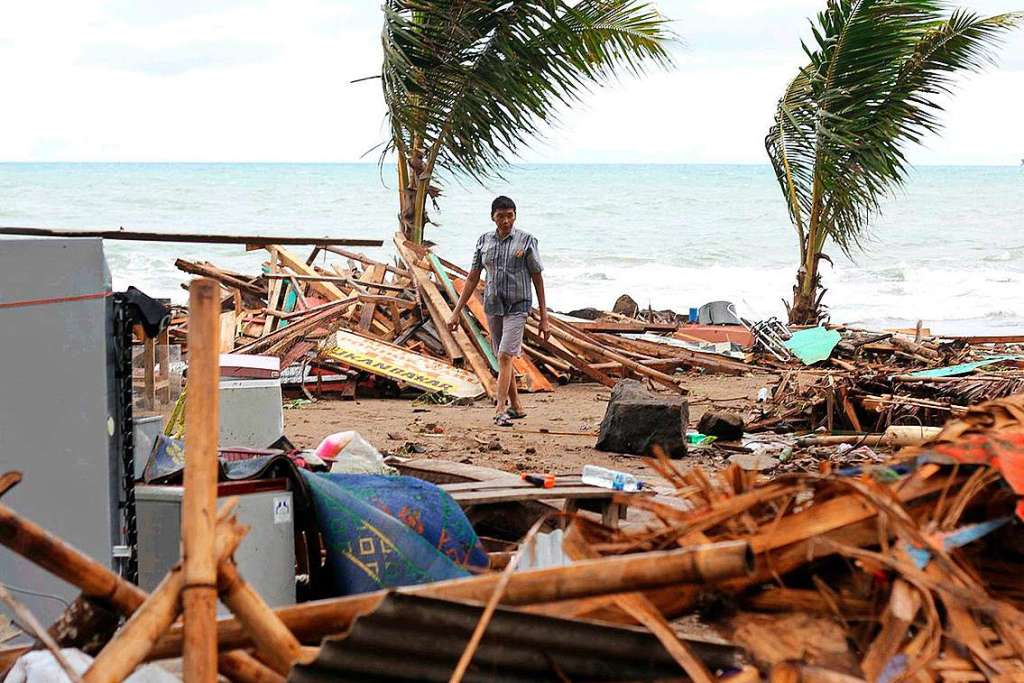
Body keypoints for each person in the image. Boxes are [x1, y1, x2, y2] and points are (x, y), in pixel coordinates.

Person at [448, 195, 549, 426]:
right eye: (501, 216)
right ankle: (517, 407)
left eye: (510, 216)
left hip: (518, 306)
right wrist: (456, 311)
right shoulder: (484, 241)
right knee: (502, 358)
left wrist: (544, 318)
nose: (506, 221)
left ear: (515, 215)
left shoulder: (526, 241)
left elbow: (537, 278)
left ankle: (500, 409)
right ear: (492, 217)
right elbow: (473, 277)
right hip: (493, 306)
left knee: (505, 355)